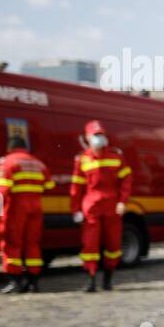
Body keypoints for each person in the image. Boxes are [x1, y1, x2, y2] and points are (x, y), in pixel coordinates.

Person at [70, 120, 132, 292]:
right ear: (88, 138)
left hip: (112, 207)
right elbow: (76, 187)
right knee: (90, 245)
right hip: (91, 208)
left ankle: (108, 280)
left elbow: (126, 181)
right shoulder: (82, 159)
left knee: (113, 244)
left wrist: (123, 201)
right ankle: (91, 280)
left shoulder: (116, 156)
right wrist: (75, 209)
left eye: (101, 134)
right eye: (95, 135)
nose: (99, 138)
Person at [0, 135, 54, 293]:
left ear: (10, 148)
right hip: (36, 207)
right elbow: (49, 185)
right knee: (32, 244)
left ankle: (15, 282)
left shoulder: (7, 162)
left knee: (12, 243)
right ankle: (33, 282)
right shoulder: (38, 163)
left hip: (17, 208)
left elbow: (0, 190)